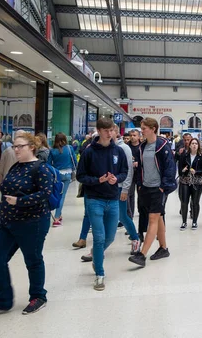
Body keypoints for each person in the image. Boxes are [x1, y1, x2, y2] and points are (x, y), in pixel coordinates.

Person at [0, 133, 53, 317]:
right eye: (14, 146)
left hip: (32, 223)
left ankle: (38, 296)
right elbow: (8, 194)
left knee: (33, 260)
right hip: (9, 222)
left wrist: (19, 202)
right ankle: (3, 300)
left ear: (32, 147)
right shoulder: (15, 167)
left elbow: (44, 195)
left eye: (20, 146)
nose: (16, 150)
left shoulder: (41, 168)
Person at [76, 118, 128, 291]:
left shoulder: (118, 151)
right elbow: (80, 176)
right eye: (105, 130)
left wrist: (116, 179)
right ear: (98, 131)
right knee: (99, 237)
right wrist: (97, 180)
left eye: (111, 129)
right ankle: (99, 273)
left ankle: (96, 255)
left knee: (110, 237)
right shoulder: (89, 152)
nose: (109, 133)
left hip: (112, 198)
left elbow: (124, 172)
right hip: (94, 199)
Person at [128, 117, 177, 268]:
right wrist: (140, 184)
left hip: (158, 188)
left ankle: (142, 255)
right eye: (141, 129)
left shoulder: (162, 145)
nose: (141, 131)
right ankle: (163, 248)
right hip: (146, 187)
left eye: (144, 129)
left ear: (153, 128)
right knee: (159, 217)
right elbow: (141, 167)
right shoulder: (142, 146)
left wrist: (164, 186)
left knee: (153, 219)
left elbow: (170, 167)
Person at [111, 125, 141, 255]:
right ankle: (97, 248)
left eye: (110, 131)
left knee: (123, 215)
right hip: (105, 188)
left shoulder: (124, 148)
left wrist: (125, 188)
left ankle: (135, 238)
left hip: (119, 187)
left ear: (116, 133)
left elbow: (129, 170)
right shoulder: (104, 148)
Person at [178, 138, 202, 230]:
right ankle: (184, 222)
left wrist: (197, 171)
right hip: (185, 180)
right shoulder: (184, 155)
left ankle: (194, 221)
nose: (194, 145)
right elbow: (180, 167)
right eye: (192, 143)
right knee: (184, 202)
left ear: (198, 145)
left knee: (195, 202)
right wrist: (183, 171)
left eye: (196, 143)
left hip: (197, 181)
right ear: (189, 145)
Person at [48, 132, 77, 227]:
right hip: (67, 175)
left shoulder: (52, 151)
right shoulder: (69, 148)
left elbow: (48, 164)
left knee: (57, 194)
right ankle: (57, 217)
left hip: (57, 175)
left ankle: (57, 215)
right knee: (62, 196)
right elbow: (75, 161)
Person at [127, 129, 142, 222]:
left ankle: (142, 216)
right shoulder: (126, 147)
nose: (132, 137)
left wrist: (138, 163)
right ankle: (129, 218)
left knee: (141, 197)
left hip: (140, 175)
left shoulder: (142, 147)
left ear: (139, 136)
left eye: (134, 135)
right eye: (131, 135)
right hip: (130, 175)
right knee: (130, 196)